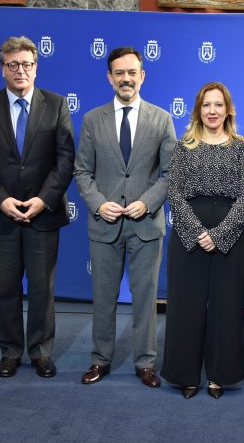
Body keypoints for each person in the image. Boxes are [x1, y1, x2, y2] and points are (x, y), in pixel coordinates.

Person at [0, 36, 75, 380]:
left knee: (43, 289)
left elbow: (65, 160)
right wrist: (2, 199)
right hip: (1, 215)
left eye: (26, 64)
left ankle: (41, 352)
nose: (20, 71)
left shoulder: (57, 105)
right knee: (7, 288)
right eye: (13, 64)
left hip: (43, 215)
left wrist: (44, 200)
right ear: (3, 69)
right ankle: (10, 352)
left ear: (36, 68)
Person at [74, 46, 177, 388]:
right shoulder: (92, 119)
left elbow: (171, 173)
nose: (126, 79)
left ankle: (145, 363)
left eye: (132, 72)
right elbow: (82, 172)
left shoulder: (161, 119)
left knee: (146, 297)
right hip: (104, 224)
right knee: (103, 297)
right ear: (109, 77)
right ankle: (100, 360)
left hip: (146, 226)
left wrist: (147, 203)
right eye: (119, 73)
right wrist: (99, 204)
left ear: (142, 76)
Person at [161, 82, 244, 399]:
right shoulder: (183, 146)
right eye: (206, 105)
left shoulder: (242, 147)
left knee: (225, 308)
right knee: (186, 307)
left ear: (228, 109)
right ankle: (185, 373)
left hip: (229, 235)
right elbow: (174, 194)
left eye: (218, 105)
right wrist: (198, 233)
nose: (212, 111)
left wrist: (219, 235)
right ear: (198, 110)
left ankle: (220, 375)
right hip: (189, 234)